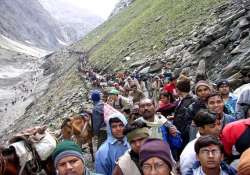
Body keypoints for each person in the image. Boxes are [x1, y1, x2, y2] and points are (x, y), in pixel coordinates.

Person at [180, 109, 222, 175]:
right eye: (212, 126)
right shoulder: (190, 151)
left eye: (219, 124)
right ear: (201, 129)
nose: (218, 128)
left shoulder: (219, 141)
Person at [173, 76, 196, 147]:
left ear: (178, 89)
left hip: (185, 134)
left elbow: (186, 118)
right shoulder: (184, 99)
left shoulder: (190, 101)